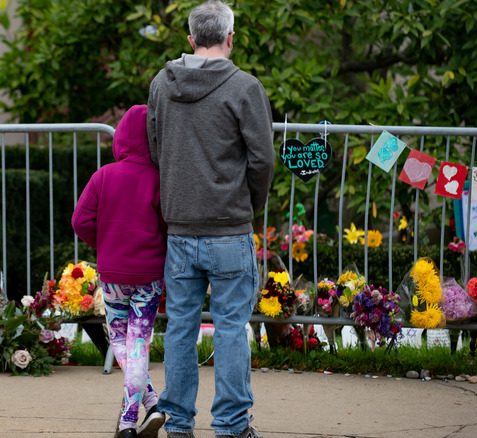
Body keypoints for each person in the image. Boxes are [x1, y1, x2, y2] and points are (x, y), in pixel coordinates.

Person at [146, 1, 275, 437]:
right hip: (229, 230)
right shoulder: (245, 87)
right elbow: (262, 160)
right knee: (230, 329)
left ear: (190, 39)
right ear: (230, 37)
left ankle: (178, 423)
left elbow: (154, 146)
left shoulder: (162, 85)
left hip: (180, 230)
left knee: (180, 328)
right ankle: (233, 426)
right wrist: (248, 206)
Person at [72, 104, 167, 438]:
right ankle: (153, 404)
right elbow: (168, 227)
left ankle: (128, 422)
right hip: (150, 277)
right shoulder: (159, 178)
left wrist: (106, 243)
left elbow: (80, 221)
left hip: (113, 277)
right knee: (138, 343)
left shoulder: (103, 176)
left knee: (123, 345)